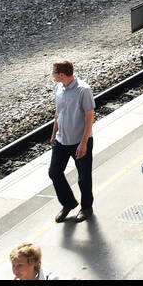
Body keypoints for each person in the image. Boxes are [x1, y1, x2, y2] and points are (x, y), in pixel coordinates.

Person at [49, 61, 94, 223]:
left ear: (62, 74)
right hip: (61, 141)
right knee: (54, 172)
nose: (52, 75)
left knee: (83, 178)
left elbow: (90, 118)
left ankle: (87, 207)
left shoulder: (84, 90)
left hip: (79, 142)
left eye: (54, 72)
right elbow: (58, 112)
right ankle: (68, 203)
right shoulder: (59, 88)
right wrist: (54, 132)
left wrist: (83, 144)